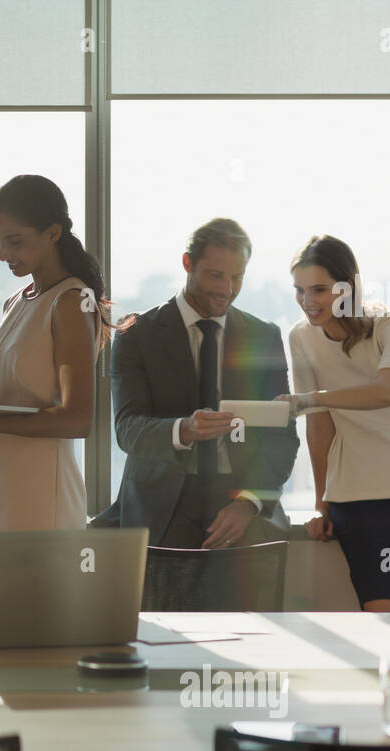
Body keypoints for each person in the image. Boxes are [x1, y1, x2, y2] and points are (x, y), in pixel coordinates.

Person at [0, 174, 110, 610]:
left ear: (53, 233)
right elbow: (7, 396)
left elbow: (76, 418)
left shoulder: (72, 302)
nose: (2, 254)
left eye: (14, 241)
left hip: (35, 489)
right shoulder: (19, 299)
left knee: (23, 622)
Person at [279, 234, 390, 611]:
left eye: (319, 290)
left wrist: (311, 399)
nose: (308, 302)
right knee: (382, 618)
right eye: (299, 290)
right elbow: (319, 425)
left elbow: (385, 392)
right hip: (357, 492)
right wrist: (320, 504)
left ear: (348, 286)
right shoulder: (300, 337)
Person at [95, 218, 299, 549]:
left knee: (247, 599)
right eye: (215, 275)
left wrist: (247, 504)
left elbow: (282, 436)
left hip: (241, 505)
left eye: (237, 277)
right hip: (160, 508)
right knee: (159, 602)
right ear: (187, 263)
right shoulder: (136, 335)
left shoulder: (263, 337)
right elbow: (127, 429)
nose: (226, 289)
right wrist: (184, 429)